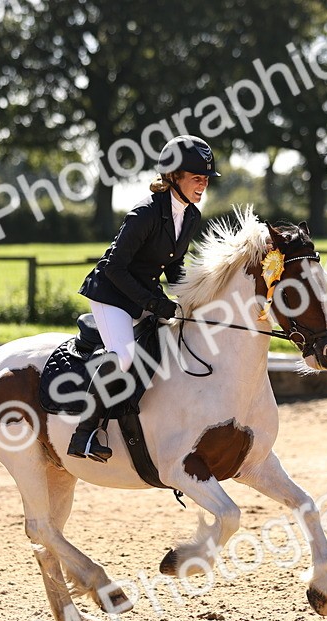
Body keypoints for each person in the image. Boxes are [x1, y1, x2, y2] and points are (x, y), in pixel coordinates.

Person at [68, 135, 221, 462]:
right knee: (122, 355)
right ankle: (83, 434)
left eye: (206, 179)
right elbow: (114, 268)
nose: (203, 185)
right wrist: (156, 304)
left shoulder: (190, 215)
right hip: (111, 293)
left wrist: (193, 299)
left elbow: (175, 264)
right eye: (196, 178)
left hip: (141, 291)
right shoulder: (145, 214)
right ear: (173, 176)